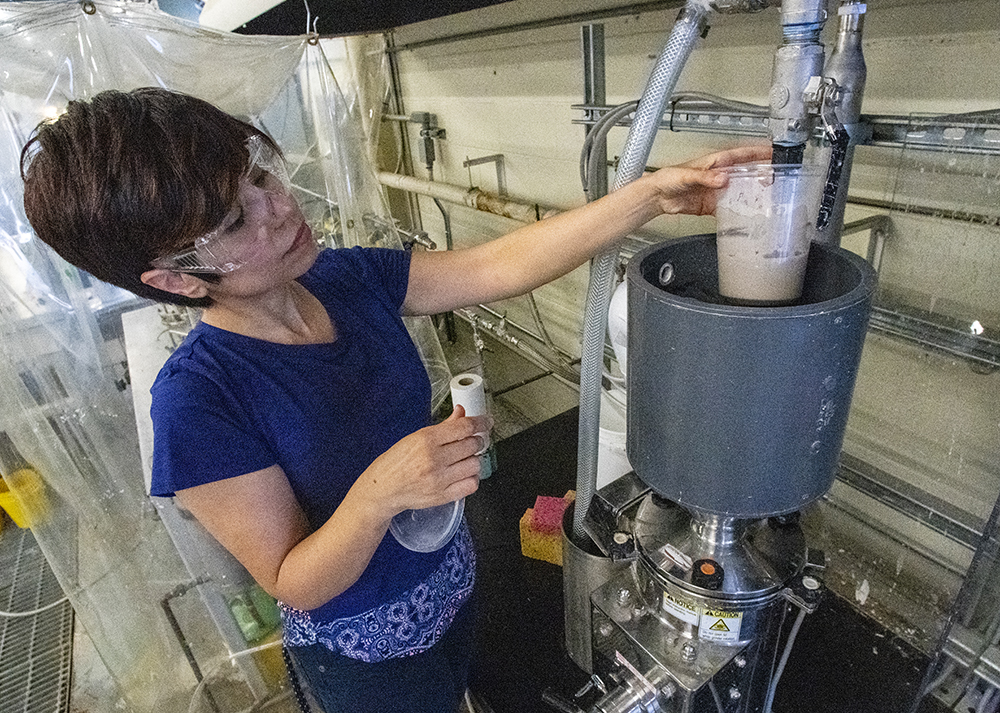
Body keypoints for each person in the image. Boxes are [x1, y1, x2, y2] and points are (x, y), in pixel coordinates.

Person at [20, 87, 769, 713]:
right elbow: (294, 581)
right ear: (177, 279)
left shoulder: (344, 279)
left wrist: (648, 196)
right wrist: (378, 493)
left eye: (259, 175)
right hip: (365, 655)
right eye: (232, 221)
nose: (279, 206)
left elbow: (495, 264)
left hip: (451, 586)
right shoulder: (199, 402)